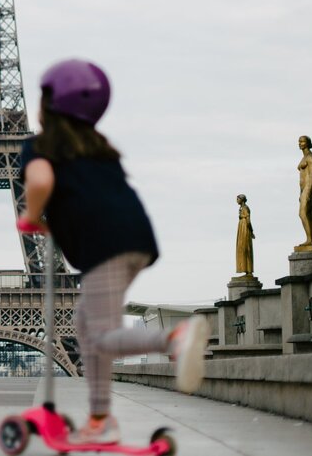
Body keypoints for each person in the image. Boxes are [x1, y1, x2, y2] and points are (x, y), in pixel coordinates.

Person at [18, 60, 206, 446]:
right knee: (86, 327)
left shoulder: (40, 147)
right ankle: (100, 419)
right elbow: (91, 201)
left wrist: (30, 215)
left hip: (103, 247)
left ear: (50, 104)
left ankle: (173, 339)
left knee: (100, 335)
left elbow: (41, 179)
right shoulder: (100, 150)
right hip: (135, 239)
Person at [296, 137, 312, 249]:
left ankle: (310, 240)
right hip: (304, 189)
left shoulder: (310, 157)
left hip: (309, 187)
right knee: (310, 215)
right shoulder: (304, 157)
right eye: (299, 141)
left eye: (302, 141)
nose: (300, 143)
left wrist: (308, 192)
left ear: (308, 143)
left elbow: (311, 176)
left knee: (302, 213)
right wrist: (301, 192)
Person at [235, 194, 255, 276]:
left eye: (238, 199)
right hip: (242, 228)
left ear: (242, 200)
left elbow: (248, 220)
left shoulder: (245, 208)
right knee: (242, 248)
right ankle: (246, 269)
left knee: (246, 248)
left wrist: (251, 231)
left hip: (245, 229)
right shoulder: (242, 208)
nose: (237, 200)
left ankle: (249, 270)